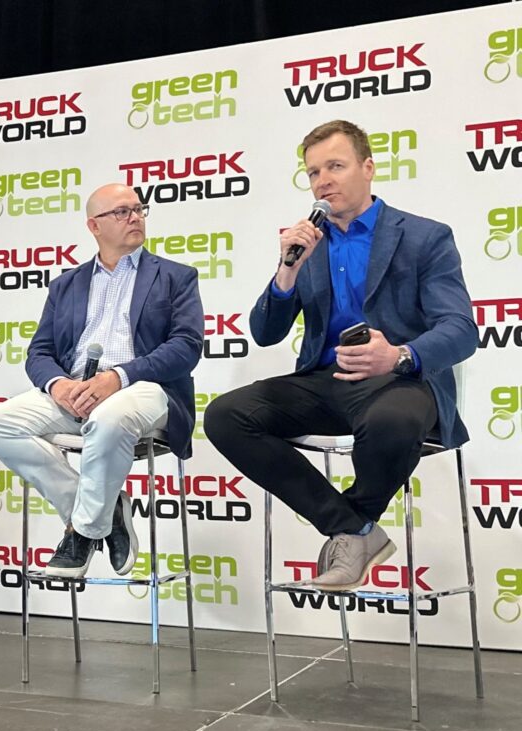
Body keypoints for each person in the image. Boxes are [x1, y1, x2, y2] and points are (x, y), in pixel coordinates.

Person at [205, 120, 478, 591]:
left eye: (335, 166)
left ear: (368, 168)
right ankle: (353, 528)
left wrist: (398, 355)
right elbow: (264, 333)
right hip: (325, 380)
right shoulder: (306, 243)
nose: (322, 180)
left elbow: (461, 330)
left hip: (401, 379)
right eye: (313, 172)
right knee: (225, 415)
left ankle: (354, 527)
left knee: (392, 420)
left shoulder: (425, 237)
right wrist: (287, 272)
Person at [0, 183, 204, 578]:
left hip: (146, 389)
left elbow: (186, 348)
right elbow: (40, 352)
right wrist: (59, 386)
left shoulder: (175, 277)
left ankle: (81, 533)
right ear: (93, 226)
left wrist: (118, 377)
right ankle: (107, 508)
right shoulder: (66, 284)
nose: (135, 217)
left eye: (138, 209)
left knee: (109, 418)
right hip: (76, 391)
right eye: (121, 211)